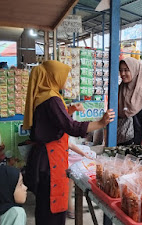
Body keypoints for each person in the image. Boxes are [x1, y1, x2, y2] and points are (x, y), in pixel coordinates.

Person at [22, 60, 115, 225]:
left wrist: (69, 110)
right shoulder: (52, 99)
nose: (66, 80)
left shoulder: (44, 95)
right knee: (53, 206)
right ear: (54, 76)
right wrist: (100, 123)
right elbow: (71, 127)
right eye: (64, 76)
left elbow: (52, 122)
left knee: (44, 205)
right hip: (51, 160)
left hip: (44, 157)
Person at [118, 57, 142, 146]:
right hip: (118, 141)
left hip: (135, 143)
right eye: (121, 70)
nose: (122, 74)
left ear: (135, 71)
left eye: (126, 70)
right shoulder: (119, 90)